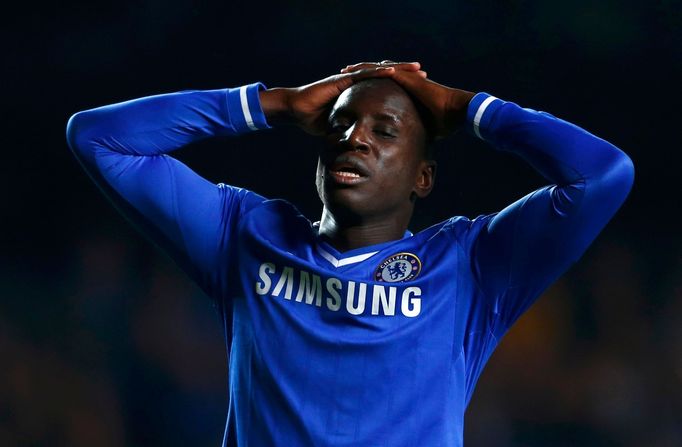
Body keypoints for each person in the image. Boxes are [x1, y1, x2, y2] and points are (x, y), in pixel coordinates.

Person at [66, 60, 634, 446]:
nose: (354, 137)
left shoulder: (468, 267)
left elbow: (602, 175)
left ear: (423, 177)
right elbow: (99, 138)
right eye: (339, 124)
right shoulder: (245, 236)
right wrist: (276, 103)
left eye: (385, 131)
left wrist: (463, 107)